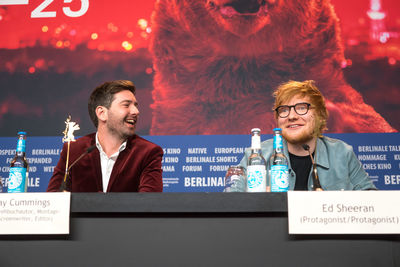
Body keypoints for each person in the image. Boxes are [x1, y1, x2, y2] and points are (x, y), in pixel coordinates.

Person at [238, 80, 376, 191]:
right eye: (284, 110)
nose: (291, 116)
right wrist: (258, 201)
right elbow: (231, 201)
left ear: (319, 115)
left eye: (302, 108)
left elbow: (372, 203)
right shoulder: (256, 156)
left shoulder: (342, 153)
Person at [47, 80, 163, 192]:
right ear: (102, 113)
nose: (136, 111)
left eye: (135, 105)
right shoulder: (73, 152)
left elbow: (149, 205)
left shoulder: (148, 153)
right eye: (126, 105)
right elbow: (53, 203)